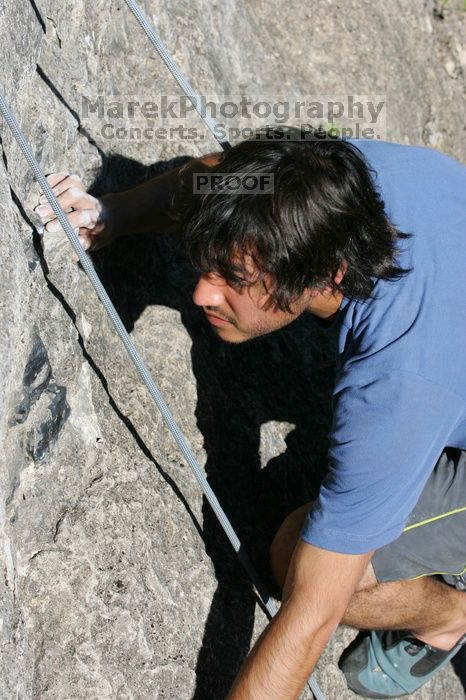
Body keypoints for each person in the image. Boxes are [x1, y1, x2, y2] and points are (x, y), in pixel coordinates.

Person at [35, 127, 466, 699]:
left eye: (234, 279)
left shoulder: (398, 387)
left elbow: (311, 616)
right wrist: (112, 213)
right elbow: (218, 178)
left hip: (432, 380)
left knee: (295, 559)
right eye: (207, 265)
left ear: (327, 275)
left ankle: (448, 616)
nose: (201, 295)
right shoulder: (323, 179)